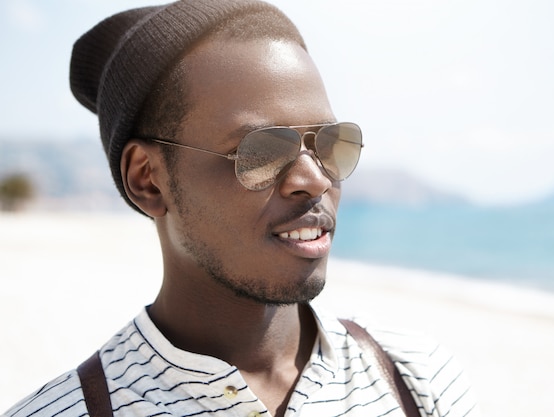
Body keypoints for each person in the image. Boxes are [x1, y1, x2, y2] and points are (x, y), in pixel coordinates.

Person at [3, 1, 478, 416]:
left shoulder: (416, 380)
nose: (314, 179)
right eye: (262, 150)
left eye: (331, 142)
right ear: (147, 179)